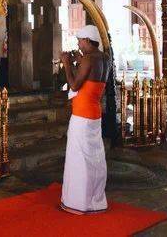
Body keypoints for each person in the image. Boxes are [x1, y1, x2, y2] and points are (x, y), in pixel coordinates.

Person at [59, 25, 109, 214]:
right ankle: (96, 200)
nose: (78, 45)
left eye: (80, 41)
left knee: (79, 158)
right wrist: (78, 62)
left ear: (88, 40)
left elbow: (74, 85)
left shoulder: (88, 58)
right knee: (94, 157)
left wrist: (66, 63)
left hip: (82, 116)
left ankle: (79, 202)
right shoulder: (104, 58)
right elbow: (90, 79)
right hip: (94, 114)